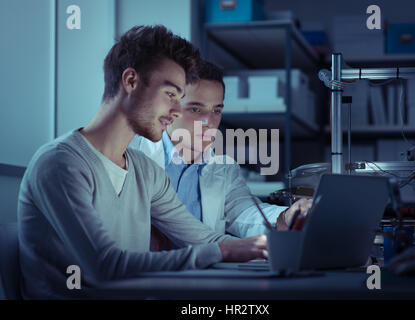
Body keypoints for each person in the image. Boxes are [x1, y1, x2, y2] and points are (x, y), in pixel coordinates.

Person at [17, 25, 268, 299]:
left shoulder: (145, 171)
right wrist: (222, 250)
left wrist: (272, 247)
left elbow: (207, 240)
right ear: (131, 81)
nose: (175, 111)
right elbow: (105, 266)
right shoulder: (60, 163)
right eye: (171, 95)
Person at [131, 59, 311, 246]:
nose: (209, 121)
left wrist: (288, 216)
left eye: (216, 110)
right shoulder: (134, 155)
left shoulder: (222, 168)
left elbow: (245, 213)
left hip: (202, 273)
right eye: (195, 109)